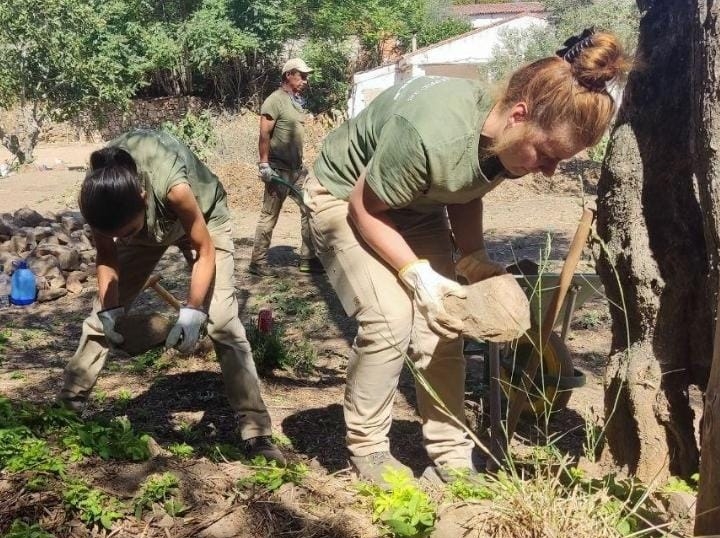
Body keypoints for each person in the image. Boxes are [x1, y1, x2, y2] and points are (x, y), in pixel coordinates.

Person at [304, 30, 630, 485]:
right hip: (345, 198)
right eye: (548, 154)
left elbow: (464, 184)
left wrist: (472, 257)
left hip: (415, 204)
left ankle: (452, 456)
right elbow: (366, 207)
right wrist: (416, 275)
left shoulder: (505, 142)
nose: (549, 170)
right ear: (519, 115)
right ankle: (368, 450)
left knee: (446, 323)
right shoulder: (431, 133)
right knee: (389, 320)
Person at [57, 129, 285, 465]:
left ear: (143, 197)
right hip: (145, 227)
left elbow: (204, 249)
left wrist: (193, 312)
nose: (120, 239)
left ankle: (256, 431)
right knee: (98, 321)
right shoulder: (100, 198)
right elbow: (108, 257)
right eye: (116, 234)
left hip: (205, 219)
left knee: (222, 323)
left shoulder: (173, 188)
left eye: (127, 233)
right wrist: (110, 311)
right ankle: (66, 408)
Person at [249, 58, 322, 276]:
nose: (306, 80)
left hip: (297, 170)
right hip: (277, 169)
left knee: (309, 208)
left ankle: (308, 259)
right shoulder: (275, 101)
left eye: (306, 76)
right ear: (289, 74)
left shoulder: (295, 101)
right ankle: (257, 262)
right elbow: (264, 134)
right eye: (302, 75)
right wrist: (264, 164)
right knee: (269, 215)